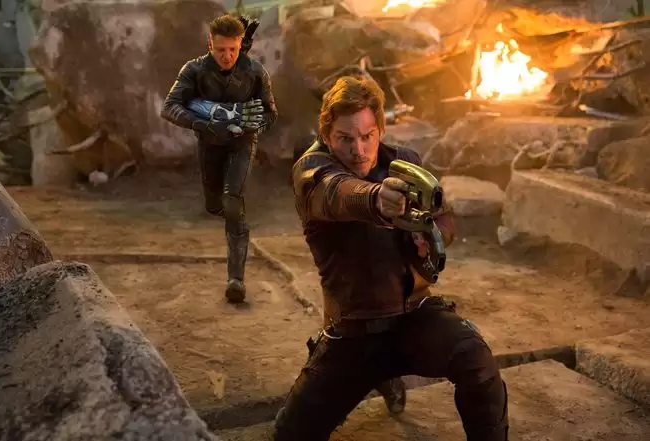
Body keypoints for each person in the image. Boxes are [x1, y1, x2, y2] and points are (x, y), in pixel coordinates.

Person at [275, 76, 508, 441]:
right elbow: (339, 193)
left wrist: (429, 238)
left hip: (413, 318)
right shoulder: (312, 171)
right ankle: (380, 378)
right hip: (352, 334)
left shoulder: (405, 163)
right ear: (326, 136)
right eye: (345, 138)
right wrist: (376, 200)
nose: (358, 150)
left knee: (476, 360)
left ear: (380, 129)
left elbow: (443, 216)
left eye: (367, 136)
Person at [160, 14, 278, 304]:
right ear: (209, 45)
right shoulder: (195, 70)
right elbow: (170, 107)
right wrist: (203, 124)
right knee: (214, 205)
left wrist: (253, 126)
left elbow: (270, 113)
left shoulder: (255, 71)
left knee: (232, 202)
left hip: (241, 144)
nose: (227, 56)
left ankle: (236, 279)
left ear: (241, 45)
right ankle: (230, 216)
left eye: (233, 50)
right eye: (221, 49)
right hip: (210, 144)